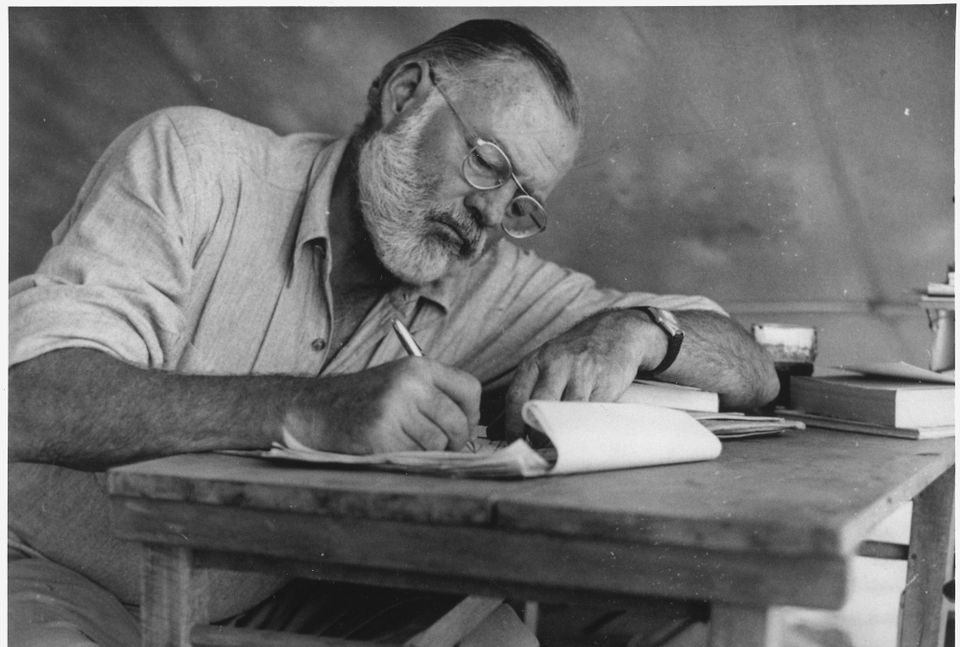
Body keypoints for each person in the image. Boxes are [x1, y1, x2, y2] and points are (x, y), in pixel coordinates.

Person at [8, 18, 779, 647]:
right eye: (487, 162)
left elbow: (755, 371)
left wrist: (640, 330)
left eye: (521, 203)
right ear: (406, 95)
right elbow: (29, 399)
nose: (490, 214)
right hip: (57, 570)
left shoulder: (482, 276)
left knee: (505, 641)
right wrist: (309, 411)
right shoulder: (193, 161)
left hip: (264, 597)